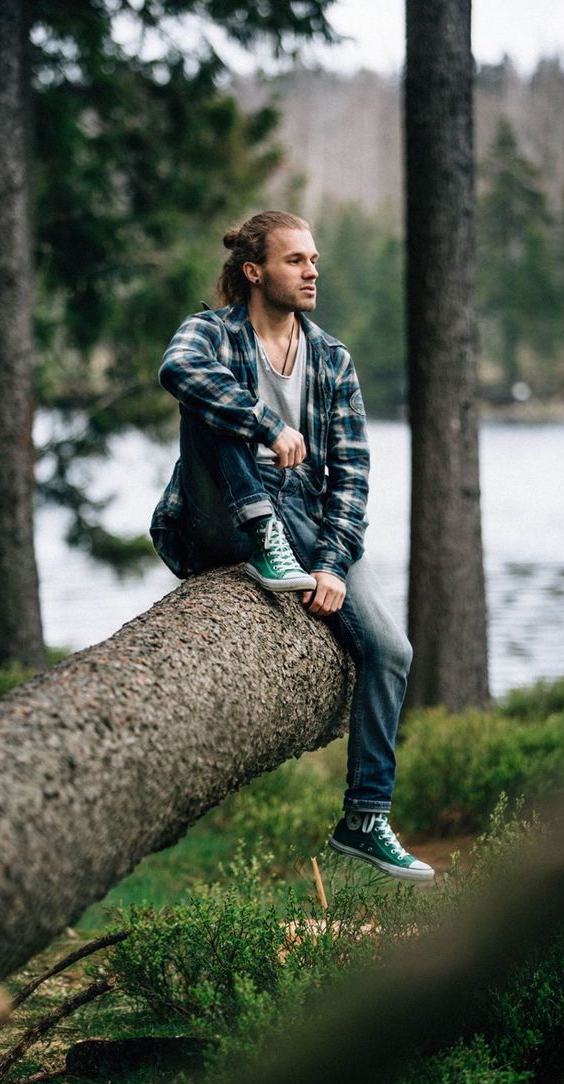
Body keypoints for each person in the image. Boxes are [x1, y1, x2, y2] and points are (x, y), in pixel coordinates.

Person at [151, 210, 434, 882]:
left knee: (393, 651)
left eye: (313, 260)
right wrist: (264, 421)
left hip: (306, 518)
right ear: (254, 271)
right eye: (294, 260)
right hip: (216, 511)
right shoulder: (212, 332)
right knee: (207, 394)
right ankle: (265, 541)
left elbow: (354, 476)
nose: (312, 271)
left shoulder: (332, 358)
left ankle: (364, 821)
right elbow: (176, 369)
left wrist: (334, 562)